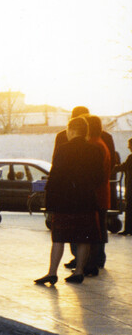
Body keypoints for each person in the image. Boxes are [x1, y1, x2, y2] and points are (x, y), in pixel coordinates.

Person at [35, 117, 104, 285]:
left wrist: (49, 201)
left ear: (72, 130)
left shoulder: (63, 149)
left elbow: (55, 176)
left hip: (64, 201)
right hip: (86, 200)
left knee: (58, 237)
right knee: (83, 237)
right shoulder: (95, 151)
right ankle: (79, 271)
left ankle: (52, 272)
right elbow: (100, 177)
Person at [54, 106, 116, 270]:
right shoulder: (104, 138)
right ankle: (89, 259)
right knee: (95, 226)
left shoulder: (94, 142)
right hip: (95, 190)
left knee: (84, 228)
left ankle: (87, 260)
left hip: (84, 192)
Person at [84, 115, 111, 276]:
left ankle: (92, 262)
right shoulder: (101, 143)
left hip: (95, 193)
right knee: (99, 227)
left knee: (94, 229)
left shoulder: (94, 145)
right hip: (102, 192)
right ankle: (96, 260)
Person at [114, 138, 132, 235]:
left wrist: (111, 168)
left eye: (129, 145)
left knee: (129, 208)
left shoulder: (130, 158)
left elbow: (122, 167)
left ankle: (128, 229)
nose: (128, 147)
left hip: (131, 188)